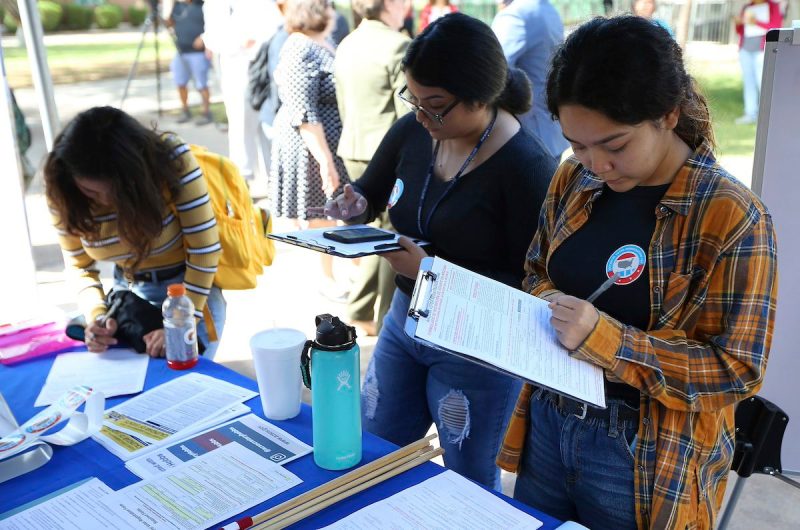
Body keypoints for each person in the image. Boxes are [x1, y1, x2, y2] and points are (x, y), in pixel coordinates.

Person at [497, 16, 778, 529]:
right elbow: (537, 268)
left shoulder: (731, 216)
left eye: (615, 145)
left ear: (668, 115)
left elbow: (735, 370)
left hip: (645, 453)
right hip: (550, 421)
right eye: (577, 143)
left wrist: (607, 340)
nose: (595, 163)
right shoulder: (573, 179)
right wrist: (544, 303)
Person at [317, 13, 557, 488]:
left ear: (481, 97)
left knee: (466, 479)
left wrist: (432, 271)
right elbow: (370, 189)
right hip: (407, 319)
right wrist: (355, 202)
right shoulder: (415, 131)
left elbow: (532, 287)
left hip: (478, 343)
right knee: (372, 452)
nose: (422, 116)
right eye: (414, 99)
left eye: (437, 106)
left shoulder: (527, 167)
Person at [44, 107, 227, 360]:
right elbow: (80, 267)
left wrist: (181, 322)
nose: (108, 201)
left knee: (185, 382)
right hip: (129, 296)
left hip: (189, 292)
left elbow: (204, 250)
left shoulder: (171, 160)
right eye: (92, 193)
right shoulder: (63, 193)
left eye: (118, 190)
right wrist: (97, 317)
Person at [334, 0, 410, 335]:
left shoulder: (347, 42)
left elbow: (342, 103)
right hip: (387, 152)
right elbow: (409, 118)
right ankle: (384, 320)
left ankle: (360, 308)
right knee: (393, 238)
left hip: (353, 146)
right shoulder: (399, 45)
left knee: (374, 233)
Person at [270, 0, 351, 299]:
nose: (334, 12)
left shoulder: (324, 42)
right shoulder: (298, 47)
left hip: (328, 143)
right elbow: (303, 113)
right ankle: (325, 277)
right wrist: (325, 160)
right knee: (320, 211)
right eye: (328, 6)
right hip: (309, 147)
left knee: (337, 209)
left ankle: (344, 270)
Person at [202, 0, 282, 181]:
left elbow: (278, 20)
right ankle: (242, 182)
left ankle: (274, 181)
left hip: (267, 67)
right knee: (241, 126)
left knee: (270, 126)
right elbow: (212, 37)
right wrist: (240, 42)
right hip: (238, 68)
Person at [491, 0, 568, 162]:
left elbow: (491, 74)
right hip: (550, 127)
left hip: (525, 132)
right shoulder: (547, 9)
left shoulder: (514, 16)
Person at [733, 0, 783, 125]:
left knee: (763, 82)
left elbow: (776, 27)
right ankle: (750, 113)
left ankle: (771, 114)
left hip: (762, 50)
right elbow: (740, 31)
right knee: (748, 81)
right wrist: (738, 23)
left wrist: (757, 22)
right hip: (746, 49)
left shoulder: (773, 6)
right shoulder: (747, 7)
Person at [167, 0, 213, 125]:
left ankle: (206, 112)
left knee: (201, 84)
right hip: (181, 51)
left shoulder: (203, 6)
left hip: (198, 53)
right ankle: (185, 109)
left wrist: (203, 37)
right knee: (180, 82)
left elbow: (213, 25)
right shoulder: (177, 7)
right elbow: (168, 22)